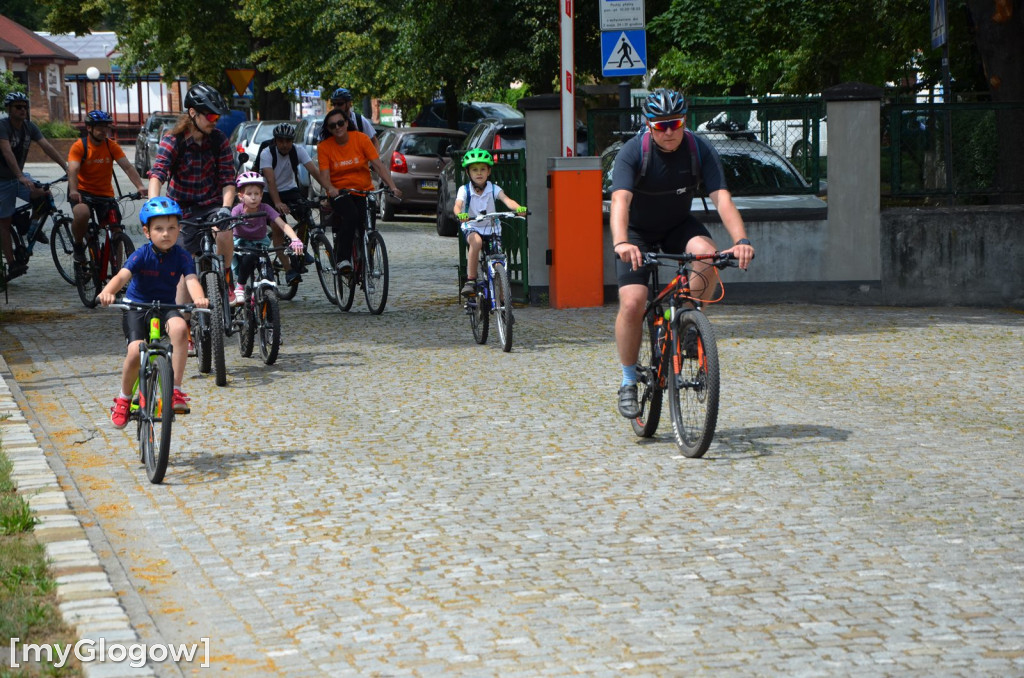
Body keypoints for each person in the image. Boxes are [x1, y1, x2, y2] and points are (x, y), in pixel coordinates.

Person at [610, 88, 754, 419]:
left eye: (675, 123)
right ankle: (628, 381)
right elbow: (620, 202)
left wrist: (742, 239)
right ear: (648, 125)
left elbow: (722, 198)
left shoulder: (698, 148)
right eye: (661, 126)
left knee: (707, 253)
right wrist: (621, 242)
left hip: (677, 225)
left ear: (684, 121)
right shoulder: (633, 152)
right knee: (633, 302)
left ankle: (688, 319)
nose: (670, 131)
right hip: (637, 233)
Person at [97, 196, 208, 428]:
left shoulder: (182, 256)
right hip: (137, 307)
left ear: (179, 230)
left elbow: (191, 279)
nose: (166, 234)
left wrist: (198, 297)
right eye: (159, 229)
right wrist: (108, 292)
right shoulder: (141, 254)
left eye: (171, 228)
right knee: (136, 351)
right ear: (147, 232)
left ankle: (175, 389)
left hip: (166, 306)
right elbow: (122, 276)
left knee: (179, 329)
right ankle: (124, 399)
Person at [148, 82, 239, 304]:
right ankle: (185, 325)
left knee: (225, 230)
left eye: (217, 117)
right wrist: (153, 207)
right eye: (210, 116)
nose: (214, 121)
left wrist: (226, 208)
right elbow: (158, 174)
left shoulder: (219, 140)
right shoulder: (173, 140)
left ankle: (227, 278)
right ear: (192, 113)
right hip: (181, 209)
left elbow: (228, 179)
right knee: (184, 268)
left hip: (211, 204)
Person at [317, 107, 401, 272]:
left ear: (347, 123)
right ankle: (342, 259)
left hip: (363, 190)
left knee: (367, 226)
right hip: (340, 192)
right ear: (328, 129)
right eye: (332, 126)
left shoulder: (361, 139)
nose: (337, 128)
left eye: (340, 123)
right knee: (351, 216)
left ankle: (366, 265)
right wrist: (331, 188)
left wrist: (392, 186)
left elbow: (378, 165)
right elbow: (324, 176)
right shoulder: (324, 147)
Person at [0, 91, 69, 281]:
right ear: (9, 109)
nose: (23, 110)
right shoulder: (3, 126)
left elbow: (46, 146)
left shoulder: (29, 127)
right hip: (3, 181)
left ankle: (31, 228)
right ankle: (13, 263)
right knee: (4, 223)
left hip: (19, 177)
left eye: (25, 107)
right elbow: (7, 152)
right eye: (18, 107)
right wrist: (20, 175)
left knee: (44, 194)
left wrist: (66, 166)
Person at [67, 110, 148, 263]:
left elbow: (128, 167)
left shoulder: (111, 146)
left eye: (106, 127)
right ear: (89, 128)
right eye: (99, 127)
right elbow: (73, 169)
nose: (104, 130)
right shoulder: (79, 146)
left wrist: (140, 186)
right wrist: (73, 190)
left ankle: (118, 269)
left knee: (116, 229)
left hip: (105, 195)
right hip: (81, 193)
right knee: (82, 214)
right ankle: (78, 246)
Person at [452, 148, 526, 297]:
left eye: (482, 169)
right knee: (476, 242)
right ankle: (471, 280)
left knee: (497, 258)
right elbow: (457, 206)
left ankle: (502, 298)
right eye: (474, 170)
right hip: (472, 225)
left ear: (489, 171)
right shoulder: (464, 190)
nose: (479, 173)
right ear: (468, 173)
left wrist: (518, 208)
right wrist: (461, 215)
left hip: (492, 228)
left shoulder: (493, 188)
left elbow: (507, 200)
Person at [257, 122, 321, 284]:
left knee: (305, 214)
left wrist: (329, 189)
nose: (285, 145)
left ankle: (298, 250)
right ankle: (289, 270)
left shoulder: (298, 151)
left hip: (289, 190)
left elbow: (314, 171)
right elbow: (270, 181)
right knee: (279, 226)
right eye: (281, 141)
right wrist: (277, 203)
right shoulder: (267, 153)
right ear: (275, 141)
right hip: (268, 193)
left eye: (288, 141)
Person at [230, 171, 304, 298]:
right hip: (242, 246)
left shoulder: (265, 208)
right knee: (248, 259)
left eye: (257, 194)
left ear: (261, 195)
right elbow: (228, 226)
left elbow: (282, 224)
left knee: (268, 273)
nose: (253, 198)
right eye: (249, 194)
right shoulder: (237, 210)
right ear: (241, 196)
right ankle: (240, 286)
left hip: (260, 245)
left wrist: (295, 239)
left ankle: (266, 300)